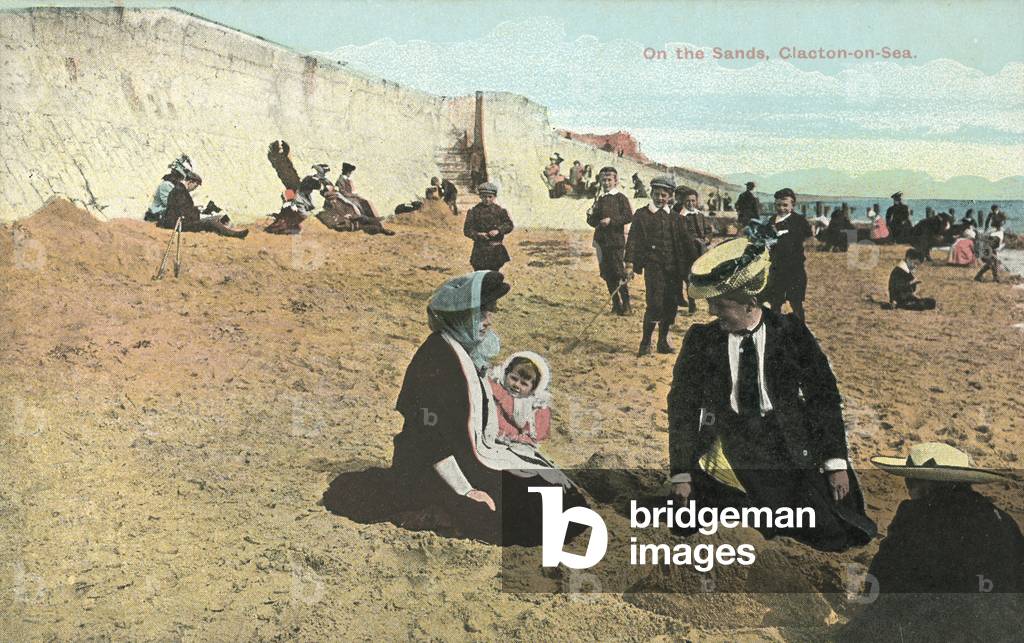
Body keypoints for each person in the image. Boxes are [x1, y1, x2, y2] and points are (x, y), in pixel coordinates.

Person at [668, 232, 877, 552]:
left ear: (750, 302)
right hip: (729, 448)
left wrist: (836, 463)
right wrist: (681, 472)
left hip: (787, 446)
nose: (712, 312)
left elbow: (824, 397)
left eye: (720, 304)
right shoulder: (701, 340)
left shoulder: (791, 333)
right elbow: (682, 406)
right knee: (711, 529)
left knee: (829, 536)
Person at [390, 271, 587, 545]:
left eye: (490, 312)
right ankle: (437, 509)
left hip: (459, 452)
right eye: (481, 313)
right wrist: (467, 491)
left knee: (558, 494)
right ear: (460, 315)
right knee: (535, 509)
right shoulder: (436, 359)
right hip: (432, 465)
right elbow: (427, 438)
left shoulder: (462, 348)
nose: (488, 321)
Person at [839, 443, 1022, 641]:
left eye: (910, 482)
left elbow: (884, 575)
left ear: (925, 486)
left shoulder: (918, 515)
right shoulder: (1003, 520)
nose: (908, 489)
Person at [625, 175, 698, 356]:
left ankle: (662, 341)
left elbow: (687, 244)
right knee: (655, 305)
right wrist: (629, 264)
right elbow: (633, 240)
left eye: (664, 195)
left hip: (674, 269)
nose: (660, 198)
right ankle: (645, 342)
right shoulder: (642, 215)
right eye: (657, 194)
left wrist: (695, 266)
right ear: (651, 193)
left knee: (671, 305)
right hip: (653, 266)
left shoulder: (677, 218)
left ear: (670, 197)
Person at [587, 167, 634, 314]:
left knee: (619, 272)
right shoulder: (600, 199)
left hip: (615, 242)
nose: (606, 183)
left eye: (609, 180)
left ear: (615, 181)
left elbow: (628, 216)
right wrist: (590, 215)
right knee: (607, 273)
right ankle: (616, 304)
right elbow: (594, 222)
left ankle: (627, 305)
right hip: (601, 242)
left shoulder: (620, 198)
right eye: (603, 180)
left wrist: (611, 221)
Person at [763, 188, 812, 321]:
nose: (781, 208)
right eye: (778, 205)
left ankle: (800, 331)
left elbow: (807, 237)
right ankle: (775, 328)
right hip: (776, 267)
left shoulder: (799, 220)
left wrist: (786, 237)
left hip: (794, 267)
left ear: (792, 206)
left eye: (785, 205)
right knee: (775, 301)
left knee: (795, 302)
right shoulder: (771, 220)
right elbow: (765, 237)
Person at [158, 173, 248, 238]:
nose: (194, 189)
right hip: (179, 224)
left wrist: (197, 209)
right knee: (211, 222)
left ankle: (231, 230)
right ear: (190, 182)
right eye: (195, 186)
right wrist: (199, 213)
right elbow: (183, 212)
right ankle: (233, 234)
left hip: (181, 221)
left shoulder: (179, 190)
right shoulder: (180, 191)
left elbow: (183, 208)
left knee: (219, 218)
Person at [488, 351, 551, 445]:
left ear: (533, 389)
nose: (516, 385)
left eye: (524, 384)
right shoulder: (495, 388)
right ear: (506, 374)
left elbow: (533, 437)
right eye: (513, 378)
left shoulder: (533, 408)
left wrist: (517, 437)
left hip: (511, 444)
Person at [673, 186, 712, 313]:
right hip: (686, 253)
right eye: (688, 201)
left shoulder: (699, 215)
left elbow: (708, 230)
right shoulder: (680, 217)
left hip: (701, 251)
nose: (690, 203)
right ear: (683, 202)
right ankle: (692, 304)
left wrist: (707, 238)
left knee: (704, 278)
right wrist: (695, 240)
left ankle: (710, 304)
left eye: (693, 201)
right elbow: (683, 235)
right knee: (689, 279)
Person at [464, 182, 513, 271]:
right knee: (479, 275)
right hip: (480, 250)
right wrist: (478, 234)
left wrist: (498, 230)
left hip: (495, 250)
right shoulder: (474, 211)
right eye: (484, 196)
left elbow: (509, 225)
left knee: (494, 275)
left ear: (494, 197)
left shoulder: (500, 211)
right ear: (480, 196)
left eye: (490, 197)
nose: (487, 199)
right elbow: (467, 230)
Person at [144, 155, 194, 222]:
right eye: (186, 172)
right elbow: (171, 205)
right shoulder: (166, 185)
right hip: (156, 216)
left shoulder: (176, 185)